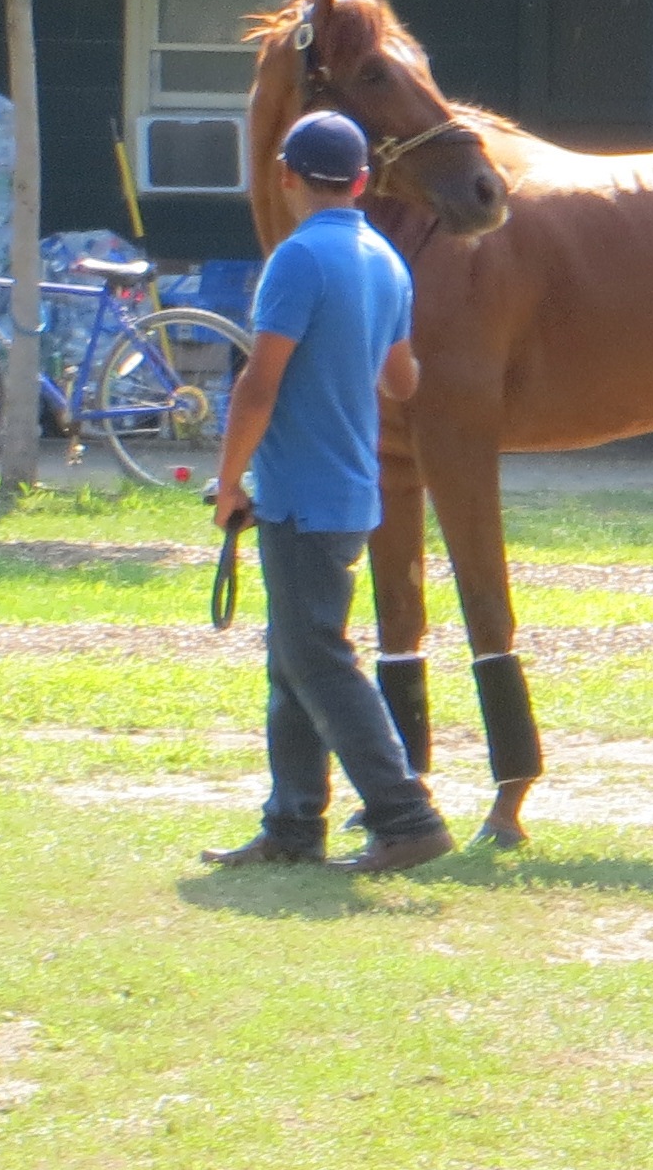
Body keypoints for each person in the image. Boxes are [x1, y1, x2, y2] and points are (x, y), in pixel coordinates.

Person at [199, 109, 455, 874]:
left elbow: (259, 382)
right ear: (363, 181)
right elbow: (402, 379)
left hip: (299, 490)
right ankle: (292, 823)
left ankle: (405, 814)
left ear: (284, 176)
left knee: (316, 660)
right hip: (351, 488)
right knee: (293, 659)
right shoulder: (385, 258)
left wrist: (226, 479)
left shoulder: (296, 259)